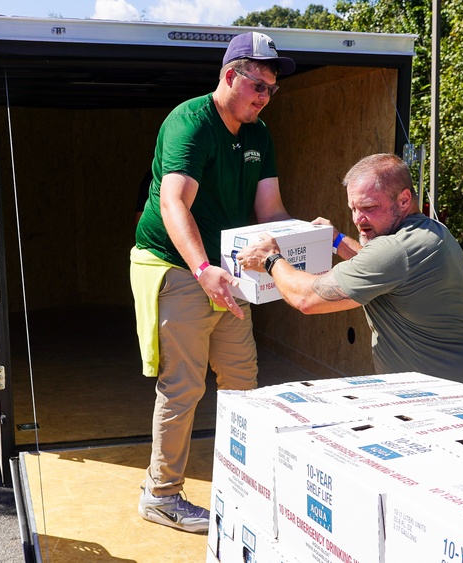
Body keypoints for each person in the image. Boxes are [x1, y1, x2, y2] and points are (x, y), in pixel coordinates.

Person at [129, 31, 295, 534]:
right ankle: (161, 495)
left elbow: (272, 212)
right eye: (258, 85)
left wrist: (311, 241)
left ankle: (239, 479)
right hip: (180, 268)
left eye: (271, 88)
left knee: (242, 378)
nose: (264, 96)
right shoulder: (191, 122)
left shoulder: (259, 134)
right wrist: (204, 271)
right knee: (183, 385)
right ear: (230, 76)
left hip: (229, 273)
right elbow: (173, 203)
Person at [235, 153, 463, 390]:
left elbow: (306, 299)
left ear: (404, 200)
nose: (358, 219)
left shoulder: (396, 250)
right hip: (452, 390)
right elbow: (377, 268)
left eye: (368, 208)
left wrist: (270, 259)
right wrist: (336, 240)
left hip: (439, 401)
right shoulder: (430, 233)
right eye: (353, 208)